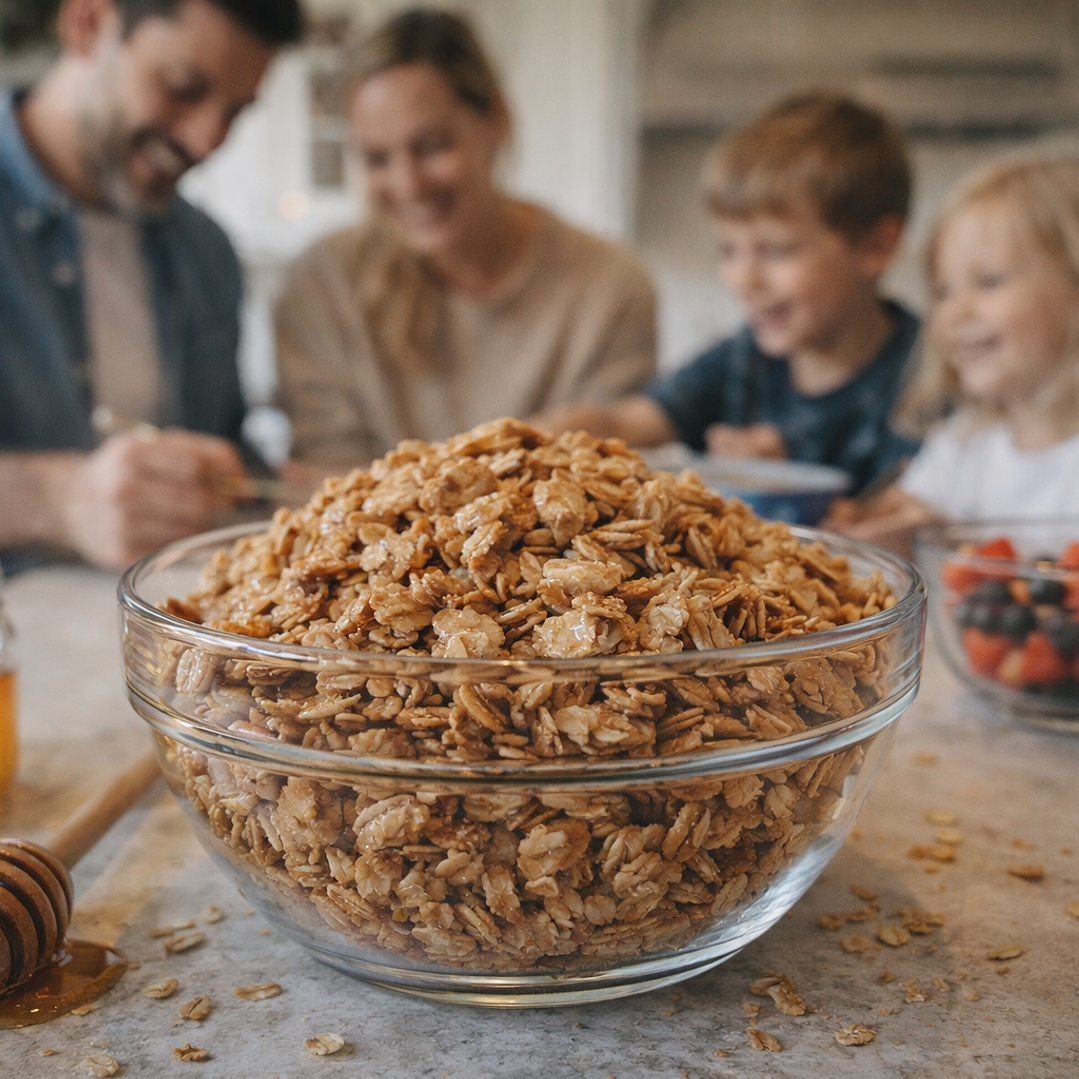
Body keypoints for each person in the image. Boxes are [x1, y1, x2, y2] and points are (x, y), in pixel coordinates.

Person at [273, 6, 656, 474]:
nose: (408, 184)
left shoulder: (610, 289)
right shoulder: (321, 287)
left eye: (432, 146)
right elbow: (326, 484)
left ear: (496, 119)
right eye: (377, 159)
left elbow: (607, 489)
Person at [0, 0, 305, 573]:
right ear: (87, 24)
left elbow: (223, 459)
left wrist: (268, 483)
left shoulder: (207, 252)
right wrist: (58, 500)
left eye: (235, 112)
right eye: (183, 87)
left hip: (165, 642)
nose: (207, 140)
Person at [533, 91, 920, 496]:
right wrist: (531, 436)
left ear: (876, 247)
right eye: (728, 250)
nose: (743, 279)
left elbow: (912, 526)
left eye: (776, 250)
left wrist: (786, 488)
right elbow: (626, 424)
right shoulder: (742, 358)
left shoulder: (928, 380)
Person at [829, 157, 1079, 553]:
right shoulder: (959, 448)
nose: (956, 312)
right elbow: (906, 529)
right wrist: (891, 533)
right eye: (943, 291)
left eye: (989, 281)